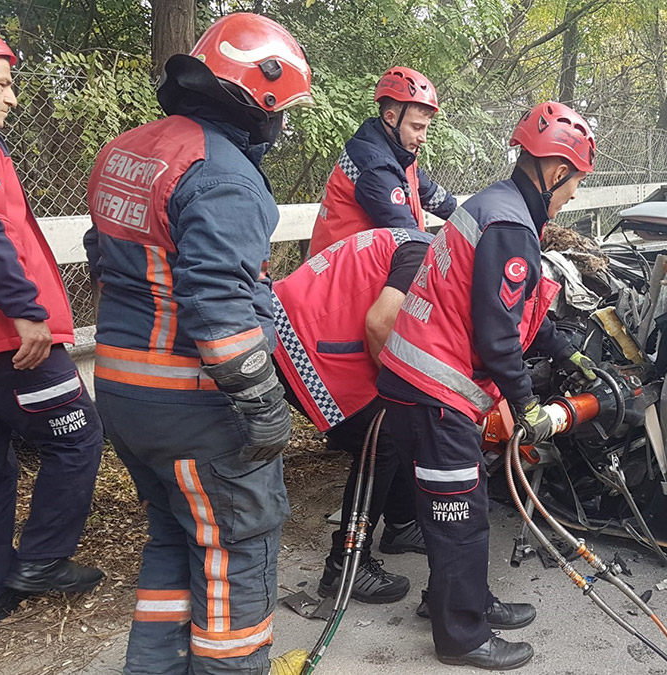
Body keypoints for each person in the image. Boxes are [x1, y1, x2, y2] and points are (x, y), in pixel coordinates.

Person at [84, 14, 312, 674]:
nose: (281, 127)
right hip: (194, 407)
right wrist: (264, 403)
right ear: (257, 100)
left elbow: (104, 257)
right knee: (235, 549)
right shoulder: (224, 176)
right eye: (282, 111)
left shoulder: (126, 150)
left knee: (172, 537)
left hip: (125, 395)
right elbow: (218, 310)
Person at [376, 101, 600, 670]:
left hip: (419, 382)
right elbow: (498, 333)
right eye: (574, 183)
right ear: (554, 173)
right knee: (461, 518)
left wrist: (564, 348)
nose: (574, 194)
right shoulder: (509, 226)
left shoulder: (496, 208)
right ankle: (462, 637)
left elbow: (518, 310)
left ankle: (460, 600)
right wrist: (528, 406)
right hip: (434, 390)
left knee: (460, 505)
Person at [0, 21, 105, 624]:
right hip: (3, 339)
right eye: (6, 83)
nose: (12, 97)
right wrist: (27, 313)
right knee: (78, 436)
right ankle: (41, 560)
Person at [272, 227, 434, 605]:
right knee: (382, 436)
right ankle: (345, 563)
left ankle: (401, 524)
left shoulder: (422, 244)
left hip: (306, 322)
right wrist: (405, 390)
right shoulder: (425, 258)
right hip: (301, 338)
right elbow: (382, 322)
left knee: (392, 425)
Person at [309, 67, 456, 255]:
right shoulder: (374, 165)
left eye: (425, 128)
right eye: (417, 127)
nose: (423, 138)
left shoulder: (398, 152)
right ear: (390, 118)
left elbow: (431, 195)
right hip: (341, 273)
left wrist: (474, 217)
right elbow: (408, 236)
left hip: (356, 265)